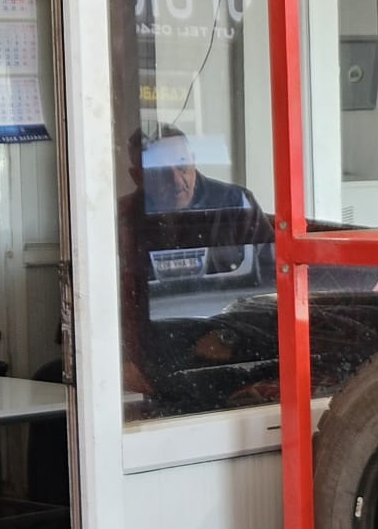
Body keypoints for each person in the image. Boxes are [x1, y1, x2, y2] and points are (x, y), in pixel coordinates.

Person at [115, 123, 271, 398]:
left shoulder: (235, 203)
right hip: (150, 345)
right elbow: (104, 296)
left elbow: (271, 283)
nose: (177, 181)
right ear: (137, 176)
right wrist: (121, 359)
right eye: (161, 172)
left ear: (195, 162)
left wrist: (230, 336)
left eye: (183, 166)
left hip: (228, 337)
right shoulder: (123, 217)